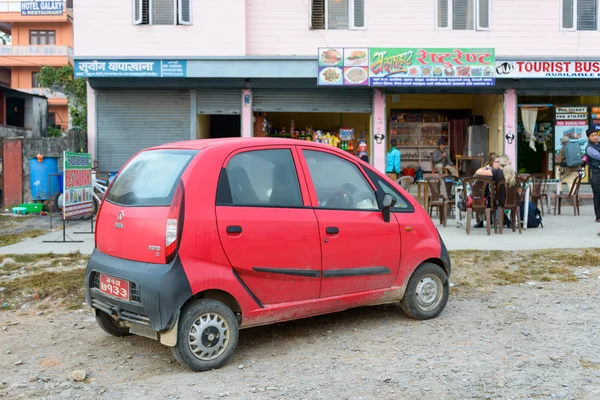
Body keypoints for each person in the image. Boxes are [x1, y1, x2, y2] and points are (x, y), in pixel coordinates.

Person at [585, 128, 600, 223]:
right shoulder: (589, 148)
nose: (595, 137)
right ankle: (598, 216)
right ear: (588, 138)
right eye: (592, 135)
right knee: (598, 196)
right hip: (596, 175)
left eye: (596, 135)